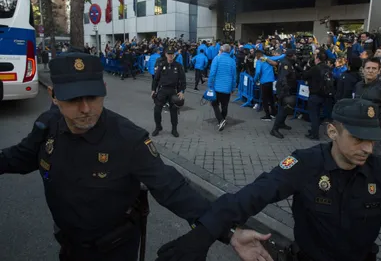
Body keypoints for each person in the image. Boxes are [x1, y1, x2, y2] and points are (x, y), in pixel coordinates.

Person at [0, 52, 270, 261]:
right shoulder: (48, 125)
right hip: (68, 246)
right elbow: (21, 158)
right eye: (73, 99)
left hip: (113, 251)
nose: (85, 109)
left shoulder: (127, 138)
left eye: (93, 97)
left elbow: (172, 188)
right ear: (54, 96)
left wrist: (228, 232)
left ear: (104, 88)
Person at [156, 98, 381, 261]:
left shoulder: (380, 171)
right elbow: (252, 196)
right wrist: (206, 232)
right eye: (357, 139)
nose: (367, 148)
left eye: (372, 140)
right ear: (332, 131)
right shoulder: (304, 164)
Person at [151, 47, 185, 138]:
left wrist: (182, 91)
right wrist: (153, 89)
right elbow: (156, 78)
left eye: (172, 54)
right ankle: (158, 127)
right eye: (169, 54)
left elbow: (183, 80)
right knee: (157, 110)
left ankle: (174, 129)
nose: (170, 56)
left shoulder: (178, 66)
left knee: (174, 111)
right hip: (162, 90)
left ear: (174, 55)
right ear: (166, 55)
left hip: (173, 91)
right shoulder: (162, 65)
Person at [207, 44, 237, 131]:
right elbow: (234, 76)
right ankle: (222, 120)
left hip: (217, 87)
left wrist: (210, 85)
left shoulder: (217, 58)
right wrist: (233, 88)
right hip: (227, 88)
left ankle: (221, 120)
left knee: (214, 104)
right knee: (225, 105)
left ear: (221, 50)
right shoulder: (232, 61)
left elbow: (212, 73)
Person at [270, 49, 296, 139]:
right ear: (291, 55)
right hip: (284, 90)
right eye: (294, 55)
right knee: (282, 109)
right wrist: (285, 89)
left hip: (286, 88)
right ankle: (274, 129)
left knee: (285, 109)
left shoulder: (288, 62)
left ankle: (281, 123)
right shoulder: (286, 63)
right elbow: (283, 77)